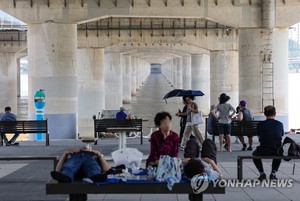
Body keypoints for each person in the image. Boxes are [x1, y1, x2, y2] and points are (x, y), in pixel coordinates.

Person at [252, 105, 284, 181]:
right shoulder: (280, 124)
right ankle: (273, 173)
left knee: (254, 155)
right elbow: (281, 135)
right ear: (275, 114)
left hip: (263, 150)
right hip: (276, 151)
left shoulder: (260, 125)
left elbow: (259, 137)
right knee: (279, 152)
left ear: (265, 114)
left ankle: (262, 173)